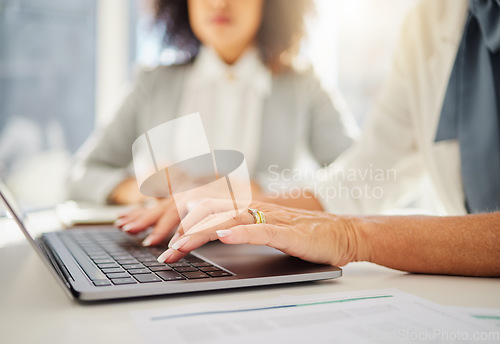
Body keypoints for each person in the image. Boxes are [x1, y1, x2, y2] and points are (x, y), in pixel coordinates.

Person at [116, 0, 500, 277]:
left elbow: (348, 164)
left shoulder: (302, 84)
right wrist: (243, 207)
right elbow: (370, 169)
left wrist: (262, 194)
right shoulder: (430, 20)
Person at [66, 0, 357, 205]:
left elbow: (361, 177)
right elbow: (81, 174)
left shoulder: (303, 86)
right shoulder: (152, 82)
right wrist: (140, 190)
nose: (219, 3)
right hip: (163, 255)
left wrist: (261, 190)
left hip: (263, 257)